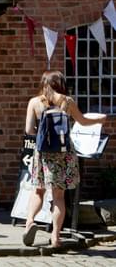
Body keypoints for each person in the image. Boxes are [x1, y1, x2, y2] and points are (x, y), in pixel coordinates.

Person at [23, 70, 106, 248]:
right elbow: (82, 121)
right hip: (63, 154)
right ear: (61, 84)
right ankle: (55, 237)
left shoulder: (34, 102)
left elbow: (29, 130)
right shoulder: (67, 102)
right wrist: (98, 120)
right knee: (58, 197)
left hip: (42, 152)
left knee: (38, 191)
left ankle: (29, 222)